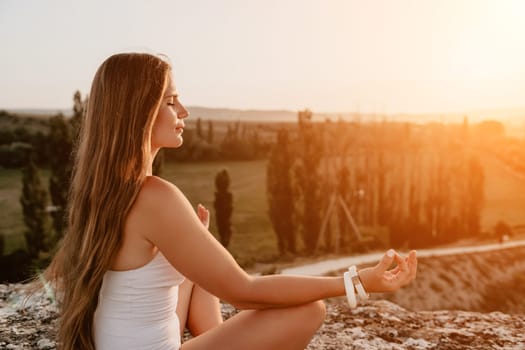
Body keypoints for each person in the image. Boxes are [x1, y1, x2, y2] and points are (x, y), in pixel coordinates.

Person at [44, 52, 417, 350]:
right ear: (138, 111)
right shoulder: (154, 196)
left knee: (201, 270)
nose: (184, 112)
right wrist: (360, 281)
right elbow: (245, 292)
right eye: (171, 101)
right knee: (306, 311)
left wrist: (194, 241)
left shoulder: (104, 190)